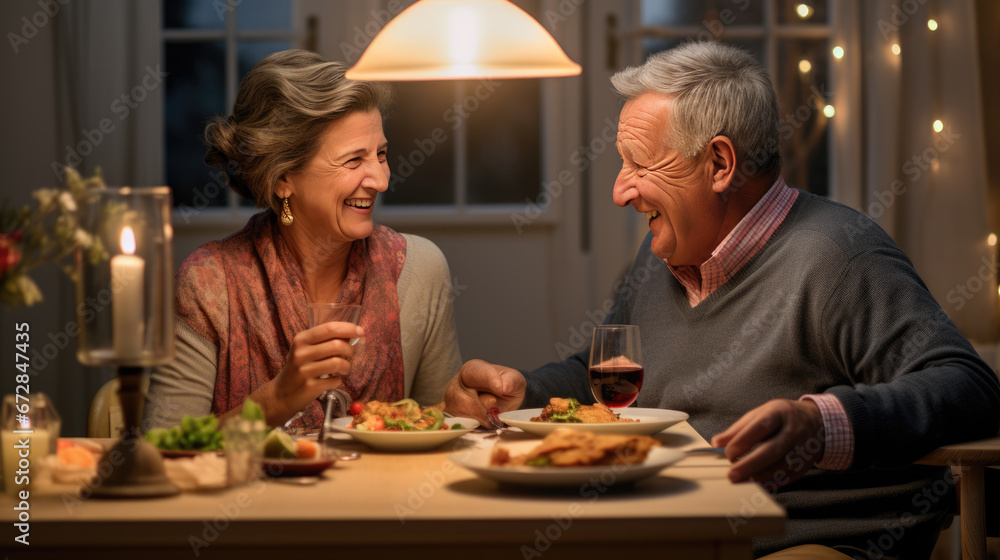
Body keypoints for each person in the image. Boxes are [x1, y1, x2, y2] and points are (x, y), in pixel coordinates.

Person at [444, 42, 1000, 560]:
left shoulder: (838, 257)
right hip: (677, 527)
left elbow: (969, 385)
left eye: (639, 164)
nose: (620, 190)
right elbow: (603, 376)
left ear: (720, 164)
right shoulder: (661, 255)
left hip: (805, 542)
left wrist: (821, 424)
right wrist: (521, 392)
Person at [145, 49, 462, 431]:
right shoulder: (208, 283)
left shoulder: (420, 268)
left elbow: (440, 436)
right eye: (353, 160)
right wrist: (277, 399)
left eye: (381, 154)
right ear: (283, 178)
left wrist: (465, 406)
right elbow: (162, 454)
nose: (380, 179)